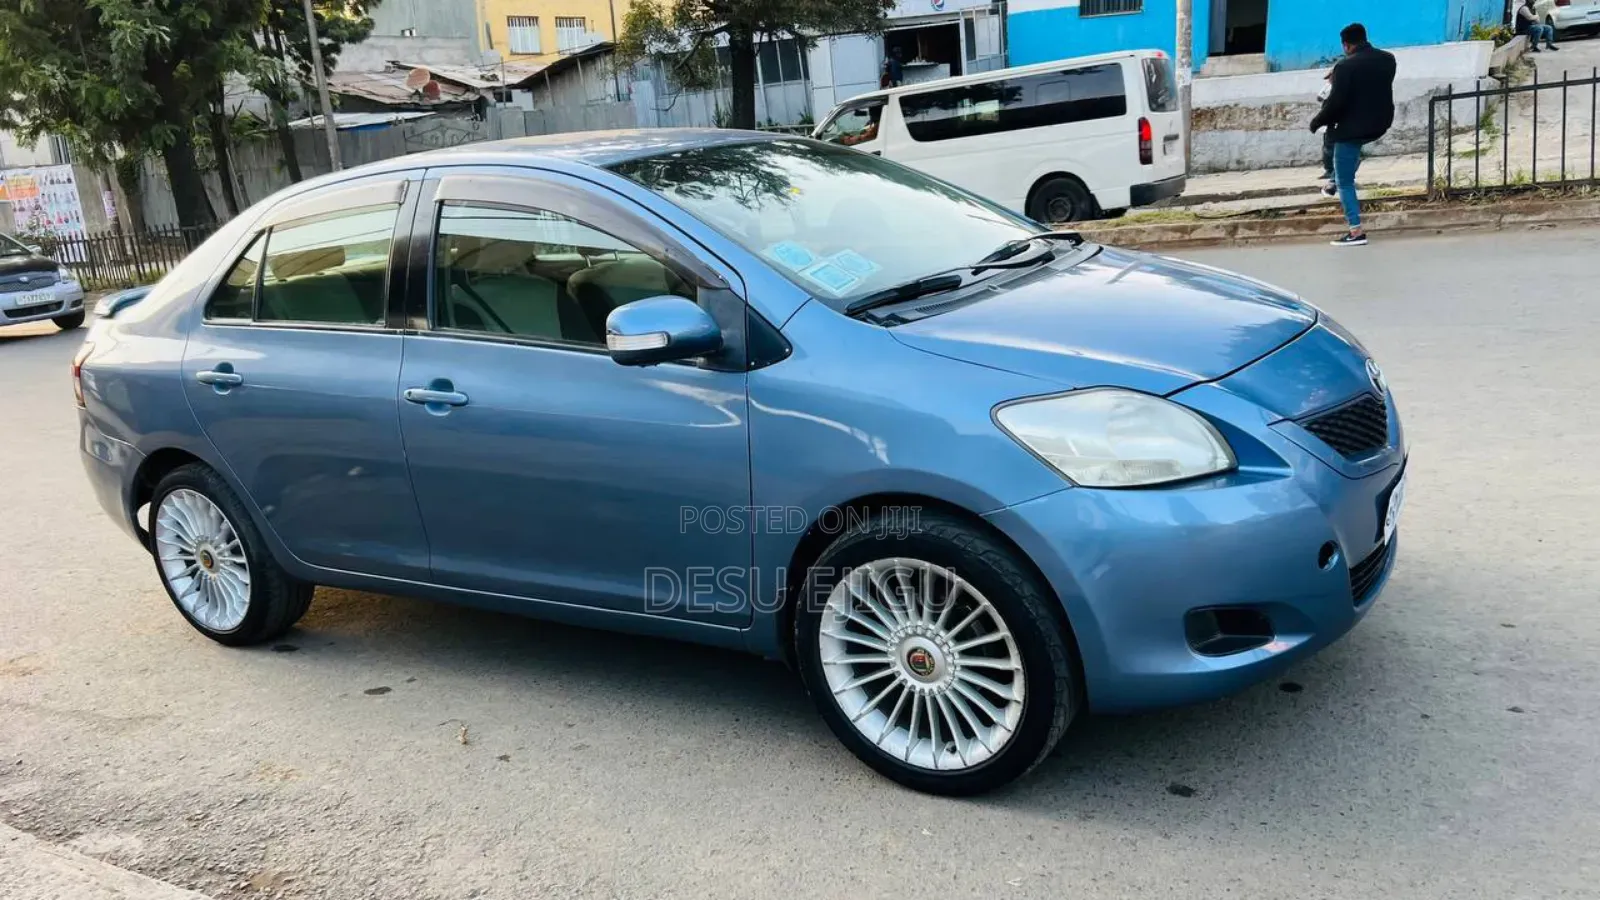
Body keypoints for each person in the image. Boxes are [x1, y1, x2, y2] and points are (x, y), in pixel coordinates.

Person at [1309, 23, 1397, 247]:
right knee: (1344, 153)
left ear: (1346, 45)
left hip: (1351, 129)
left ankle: (1355, 231)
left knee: (1345, 181)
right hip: (1379, 124)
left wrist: (1317, 121)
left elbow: (1336, 103)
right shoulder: (1388, 59)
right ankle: (1332, 179)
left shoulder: (1345, 67)